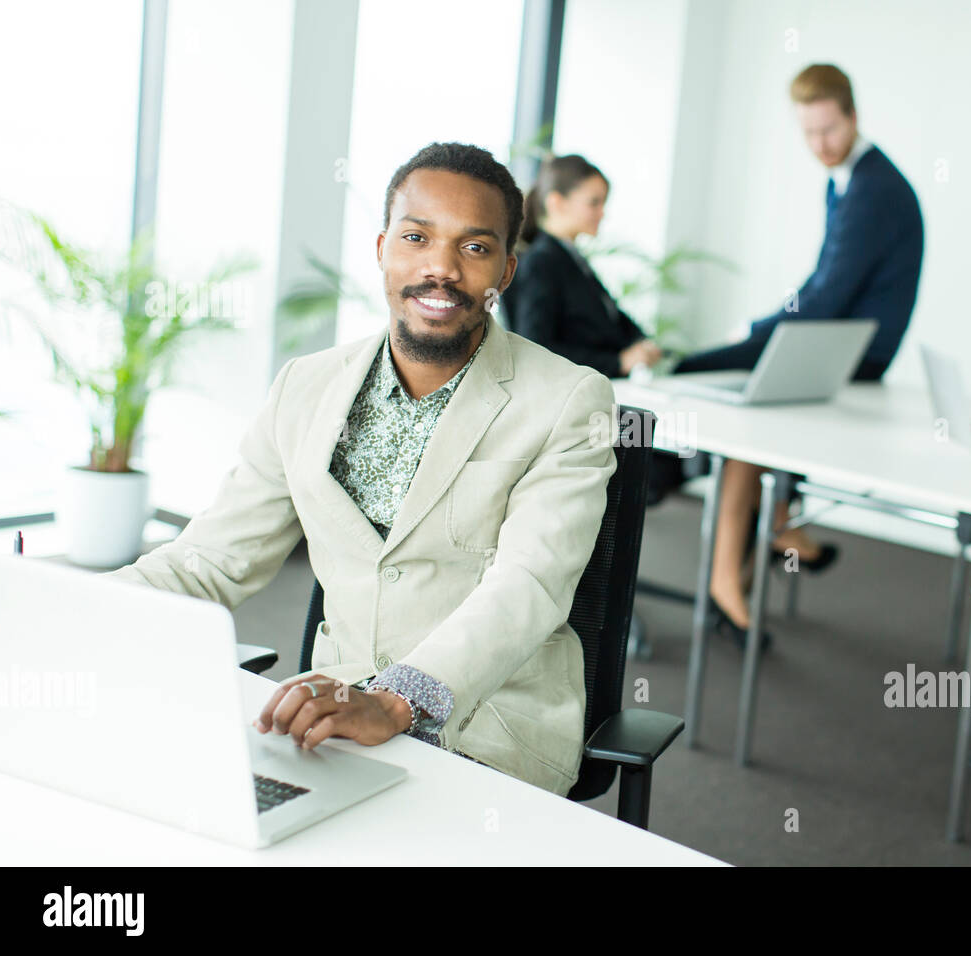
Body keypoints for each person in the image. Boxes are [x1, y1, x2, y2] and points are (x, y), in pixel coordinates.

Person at [104, 143, 617, 796]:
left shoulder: (568, 399)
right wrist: (76, 609)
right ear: (382, 249)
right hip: (328, 709)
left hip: (492, 723)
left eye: (475, 248)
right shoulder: (305, 387)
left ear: (507, 271)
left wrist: (397, 700)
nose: (441, 268)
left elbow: (528, 585)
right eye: (416, 237)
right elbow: (210, 561)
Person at [684, 63, 924, 647]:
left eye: (830, 132)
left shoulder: (872, 187)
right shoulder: (846, 176)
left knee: (723, 389)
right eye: (809, 135)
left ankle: (735, 574)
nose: (820, 146)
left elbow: (830, 291)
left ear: (854, 117)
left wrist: (759, 327)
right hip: (834, 340)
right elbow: (823, 283)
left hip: (849, 351)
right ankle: (779, 530)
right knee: (744, 387)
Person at [502, 154, 663, 378]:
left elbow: (613, 318)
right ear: (557, 203)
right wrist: (618, 362)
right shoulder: (542, 261)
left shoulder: (571, 258)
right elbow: (535, 348)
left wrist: (641, 342)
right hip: (582, 400)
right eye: (594, 203)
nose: (602, 213)